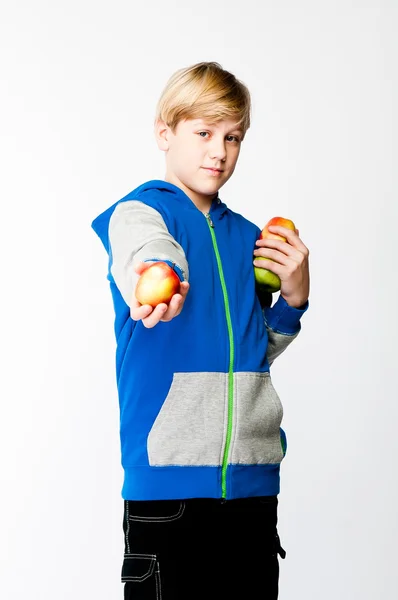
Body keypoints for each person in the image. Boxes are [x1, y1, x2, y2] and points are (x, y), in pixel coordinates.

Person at [91, 61, 310, 600]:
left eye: (232, 137)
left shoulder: (250, 238)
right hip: (168, 494)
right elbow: (147, 252)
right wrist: (161, 275)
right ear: (165, 134)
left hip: (253, 492)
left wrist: (294, 301)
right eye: (204, 132)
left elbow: (253, 349)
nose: (219, 151)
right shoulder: (141, 214)